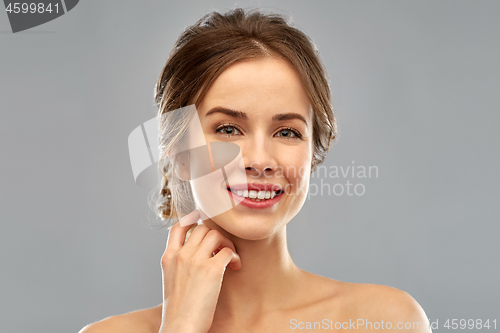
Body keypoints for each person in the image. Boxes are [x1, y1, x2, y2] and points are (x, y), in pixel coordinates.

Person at [80, 7, 431, 333]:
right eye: (228, 129)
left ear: (312, 154)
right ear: (181, 153)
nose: (260, 159)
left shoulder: (384, 320)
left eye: (287, 132)